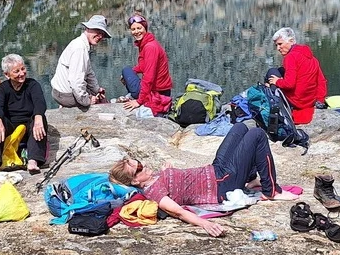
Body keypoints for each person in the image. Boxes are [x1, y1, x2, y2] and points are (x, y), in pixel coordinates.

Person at [108, 122, 298, 236]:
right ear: (134, 181)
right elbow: (179, 212)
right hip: (222, 185)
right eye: (139, 168)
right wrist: (205, 224)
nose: (144, 165)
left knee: (239, 127)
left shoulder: (153, 178)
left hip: (215, 171)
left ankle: (249, 178)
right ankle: (271, 190)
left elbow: (175, 184)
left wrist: (169, 171)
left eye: (138, 162)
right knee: (257, 135)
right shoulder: (155, 193)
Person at [0, 54, 48, 175]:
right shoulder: (2, 89)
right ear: (7, 74)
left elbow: (39, 102)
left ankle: (33, 160)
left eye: (23, 69)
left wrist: (38, 116)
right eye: (16, 71)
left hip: (29, 126)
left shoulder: (32, 85)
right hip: (11, 126)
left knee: (40, 120)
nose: (22, 73)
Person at [265, 27, 327, 125]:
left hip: (297, 101)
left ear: (291, 41)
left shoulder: (291, 57)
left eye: (280, 44)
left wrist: (276, 82)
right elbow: (321, 81)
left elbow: (289, 84)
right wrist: (320, 101)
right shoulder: (312, 58)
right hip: (310, 101)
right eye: (276, 45)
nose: (278, 48)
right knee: (281, 70)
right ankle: (270, 89)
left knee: (272, 71)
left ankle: (273, 101)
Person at [118, 13, 173, 116]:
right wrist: (130, 74)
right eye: (133, 29)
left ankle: (136, 96)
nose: (136, 32)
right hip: (162, 91)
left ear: (145, 28)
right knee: (128, 71)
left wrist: (139, 101)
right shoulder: (146, 43)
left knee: (126, 70)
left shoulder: (150, 47)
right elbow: (143, 66)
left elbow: (149, 77)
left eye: (139, 28)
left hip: (157, 93)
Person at [51, 15, 110, 108]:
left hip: (60, 92)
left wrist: (96, 89)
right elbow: (75, 80)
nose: (100, 36)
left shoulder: (81, 44)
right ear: (87, 28)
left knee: (96, 95)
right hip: (64, 95)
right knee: (99, 103)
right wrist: (88, 100)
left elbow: (89, 72)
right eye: (98, 31)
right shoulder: (79, 48)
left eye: (102, 34)